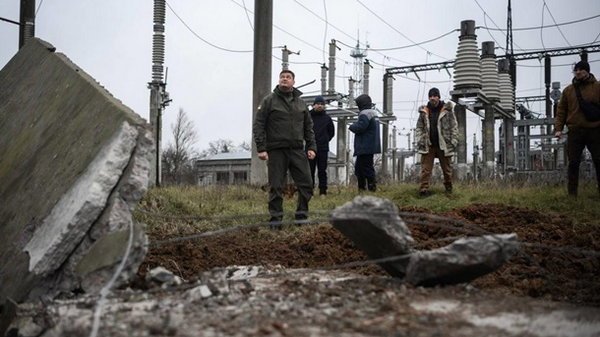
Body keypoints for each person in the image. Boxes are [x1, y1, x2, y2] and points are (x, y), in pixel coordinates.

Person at [253, 69, 317, 227]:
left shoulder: (301, 103)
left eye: (288, 77)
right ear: (279, 80)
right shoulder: (269, 100)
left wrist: (311, 147)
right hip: (276, 150)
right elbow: (259, 124)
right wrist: (261, 148)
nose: (285, 79)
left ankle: (301, 218)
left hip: (297, 150)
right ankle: (276, 221)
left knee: (307, 184)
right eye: (282, 77)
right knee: (276, 186)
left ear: (293, 82)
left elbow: (308, 127)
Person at [554, 61, 600, 197]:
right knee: (573, 162)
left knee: (599, 160)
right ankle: (572, 194)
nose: (578, 72)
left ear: (587, 71)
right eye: (576, 70)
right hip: (575, 131)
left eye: (581, 69)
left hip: (595, 129)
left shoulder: (597, 87)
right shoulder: (568, 90)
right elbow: (561, 110)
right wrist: (558, 128)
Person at [415, 87, 458, 197]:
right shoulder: (424, 112)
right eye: (430, 96)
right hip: (428, 145)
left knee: (447, 169)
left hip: (444, 144)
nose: (432, 98)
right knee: (426, 170)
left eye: (434, 96)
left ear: (439, 97)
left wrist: (453, 141)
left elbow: (454, 127)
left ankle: (448, 188)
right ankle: (423, 189)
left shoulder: (447, 111)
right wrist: (419, 139)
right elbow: (419, 127)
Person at [349, 94, 381, 192]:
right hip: (371, 145)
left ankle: (369, 189)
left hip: (364, 146)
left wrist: (352, 126)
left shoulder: (364, 114)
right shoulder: (374, 113)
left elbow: (360, 127)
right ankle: (363, 189)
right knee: (360, 168)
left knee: (365, 168)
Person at [309, 95, 335, 197]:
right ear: (314, 105)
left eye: (321, 104)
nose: (319, 106)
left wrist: (324, 140)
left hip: (323, 148)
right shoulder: (308, 116)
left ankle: (323, 191)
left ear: (324, 106)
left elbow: (331, 133)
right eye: (318, 104)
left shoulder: (327, 118)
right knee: (309, 171)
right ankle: (309, 191)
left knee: (322, 171)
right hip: (310, 148)